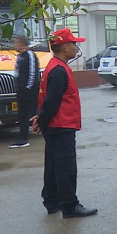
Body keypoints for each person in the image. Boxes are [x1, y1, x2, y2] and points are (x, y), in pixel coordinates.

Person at [30, 28, 97, 218]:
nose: (76, 47)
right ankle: (69, 205)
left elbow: (46, 98)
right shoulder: (59, 69)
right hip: (61, 125)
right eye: (74, 43)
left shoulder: (53, 66)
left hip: (55, 125)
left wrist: (40, 118)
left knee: (53, 165)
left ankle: (52, 201)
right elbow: (52, 101)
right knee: (66, 166)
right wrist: (42, 121)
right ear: (65, 46)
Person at [10, 35, 40, 148]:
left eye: (16, 43)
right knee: (22, 115)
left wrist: (28, 87)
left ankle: (40, 130)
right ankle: (23, 137)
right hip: (21, 90)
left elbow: (33, 73)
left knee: (32, 112)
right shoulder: (20, 56)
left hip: (29, 91)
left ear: (21, 44)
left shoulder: (30, 55)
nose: (15, 46)